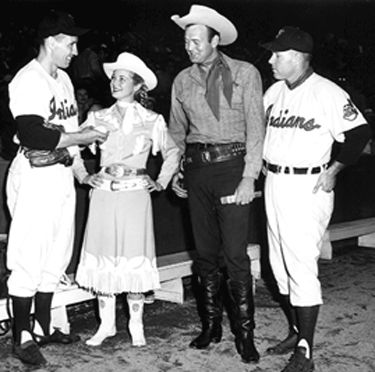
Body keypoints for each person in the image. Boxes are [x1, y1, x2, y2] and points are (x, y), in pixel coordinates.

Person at [260, 27, 371, 372]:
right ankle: (296, 331)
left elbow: (359, 133)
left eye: (277, 55)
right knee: (279, 265)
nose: (271, 59)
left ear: (296, 57)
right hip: (274, 182)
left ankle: (305, 351)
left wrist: (335, 169)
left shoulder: (327, 91)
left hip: (306, 186)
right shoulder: (275, 90)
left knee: (301, 266)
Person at [5, 10, 108, 366]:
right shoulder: (28, 79)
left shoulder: (62, 79)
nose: (75, 51)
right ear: (51, 41)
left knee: (57, 252)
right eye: (71, 43)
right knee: (30, 253)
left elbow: (69, 129)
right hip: (35, 172)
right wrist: (83, 135)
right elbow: (35, 133)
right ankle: (21, 336)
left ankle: (44, 327)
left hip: (61, 173)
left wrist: (80, 170)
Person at [168, 5, 265, 364]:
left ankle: (245, 334)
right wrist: (175, 170)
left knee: (235, 255)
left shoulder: (246, 73)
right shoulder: (182, 80)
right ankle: (211, 327)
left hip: (232, 167)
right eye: (185, 41)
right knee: (205, 254)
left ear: (215, 40)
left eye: (195, 40)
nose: (189, 47)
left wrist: (248, 177)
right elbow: (176, 133)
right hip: (196, 171)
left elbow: (256, 129)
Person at [75, 52, 179, 348]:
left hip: (135, 196)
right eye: (113, 77)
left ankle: (136, 325)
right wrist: (84, 176)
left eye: (122, 78)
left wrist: (160, 181)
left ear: (137, 85)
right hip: (104, 194)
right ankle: (106, 325)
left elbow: (172, 152)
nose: (115, 82)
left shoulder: (151, 120)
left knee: (133, 258)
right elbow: (72, 149)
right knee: (104, 257)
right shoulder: (98, 117)